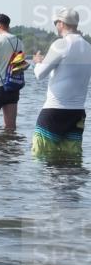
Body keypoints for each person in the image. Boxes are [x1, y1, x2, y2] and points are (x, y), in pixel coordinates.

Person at [30, 8, 91, 157]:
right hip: (77, 113)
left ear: (61, 23)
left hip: (54, 111)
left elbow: (39, 74)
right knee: (71, 160)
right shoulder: (88, 47)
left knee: (40, 157)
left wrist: (38, 62)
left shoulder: (61, 44)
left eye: (56, 22)